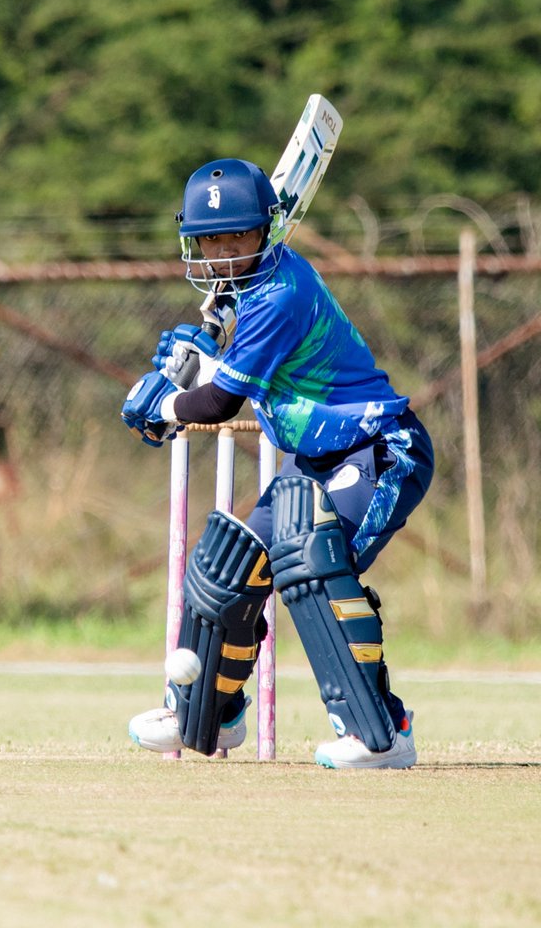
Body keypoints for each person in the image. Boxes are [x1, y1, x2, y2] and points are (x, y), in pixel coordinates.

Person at [120, 158, 433, 769]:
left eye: (238, 235)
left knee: (312, 561)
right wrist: (201, 354)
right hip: (315, 461)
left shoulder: (279, 294)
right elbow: (227, 368)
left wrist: (167, 402)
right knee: (227, 568)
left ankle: (382, 733)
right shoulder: (246, 292)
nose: (226, 250)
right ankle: (209, 714)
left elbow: (220, 402)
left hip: (378, 448)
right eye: (212, 239)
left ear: (266, 230)